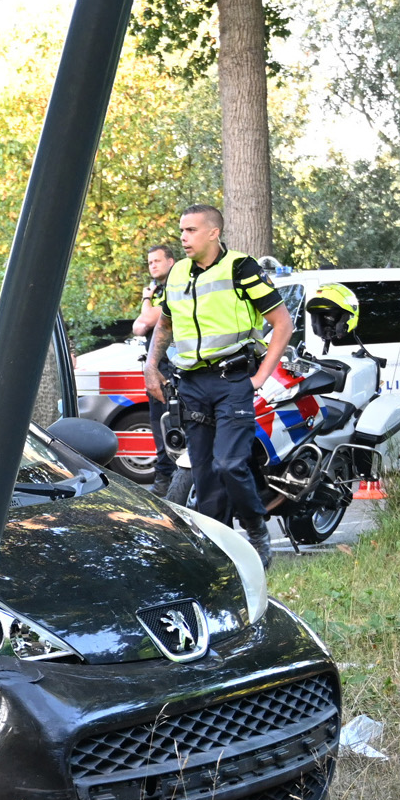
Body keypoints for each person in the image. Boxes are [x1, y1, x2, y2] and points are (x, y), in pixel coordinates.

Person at [143, 204, 295, 567]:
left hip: (232, 381)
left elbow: (282, 324)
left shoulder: (241, 268)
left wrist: (260, 376)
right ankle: (218, 551)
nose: (183, 238)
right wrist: (151, 366)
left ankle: (256, 530)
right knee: (205, 472)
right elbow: (164, 325)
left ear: (214, 232)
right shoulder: (177, 273)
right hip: (192, 384)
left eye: (191, 230)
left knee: (229, 463)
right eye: (182, 231)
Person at [131, 243, 177, 496]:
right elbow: (138, 327)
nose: (153, 266)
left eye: (157, 261)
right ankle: (164, 479)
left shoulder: (175, 287)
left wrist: (146, 298)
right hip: (156, 368)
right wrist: (148, 310)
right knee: (159, 424)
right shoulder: (160, 291)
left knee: (172, 424)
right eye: (149, 262)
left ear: (171, 261)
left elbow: (146, 320)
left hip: (173, 368)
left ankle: (171, 480)